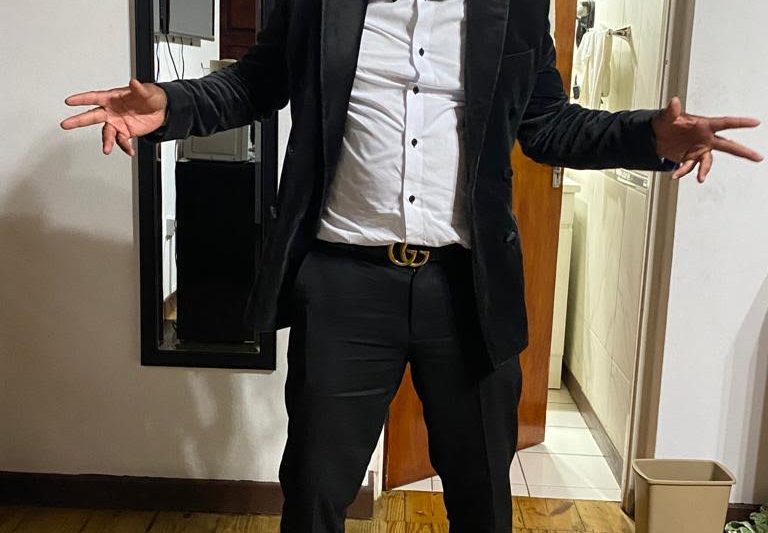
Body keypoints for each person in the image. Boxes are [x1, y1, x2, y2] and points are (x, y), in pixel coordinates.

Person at [60, 1, 762, 531]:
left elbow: (548, 124)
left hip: (466, 287)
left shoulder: (515, 8)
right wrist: (171, 104)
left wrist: (649, 137)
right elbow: (254, 83)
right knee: (314, 489)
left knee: (481, 494)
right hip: (343, 281)